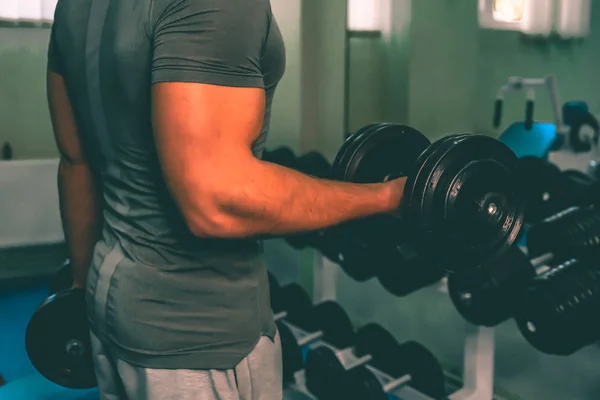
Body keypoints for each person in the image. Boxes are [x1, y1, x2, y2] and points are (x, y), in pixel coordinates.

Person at [47, 0, 405, 398]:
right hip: (198, 338)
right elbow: (215, 201)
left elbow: (76, 163)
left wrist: (82, 286)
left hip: (109, 306)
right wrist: (387, 196)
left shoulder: (73, 6)